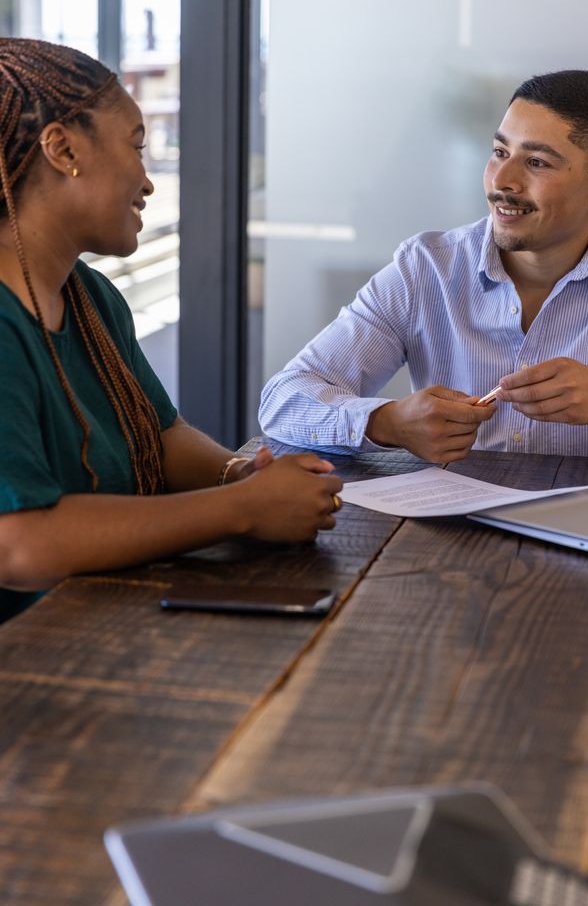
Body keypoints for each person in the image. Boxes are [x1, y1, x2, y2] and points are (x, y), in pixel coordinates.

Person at [0, 38, 342, 621]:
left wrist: (237, 472)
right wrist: (241, 508)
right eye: (137, 145)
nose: (149, 179)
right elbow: (19, 546)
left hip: (107, 628)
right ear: (61, 149)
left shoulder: (91, 297)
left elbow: (158, 434)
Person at [259, 69, 588, 469]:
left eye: (537, 162)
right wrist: (386, 423)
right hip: (445, 541)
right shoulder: (426, 269)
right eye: (500, 152)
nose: (502, 181)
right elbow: (283, 400)